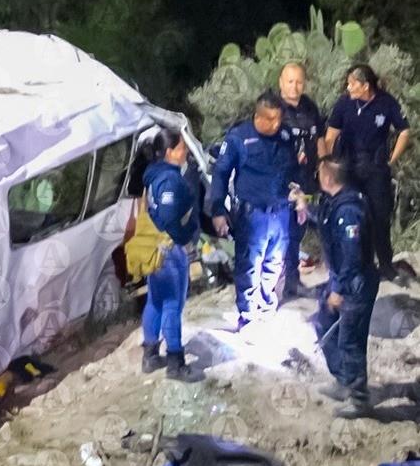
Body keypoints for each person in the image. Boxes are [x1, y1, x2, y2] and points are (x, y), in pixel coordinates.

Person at [296, 156, 379, 418]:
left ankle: (359, 399)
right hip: (341, 277)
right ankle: (343, 380)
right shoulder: (335, 202)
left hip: (355, 283)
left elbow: (352, 258)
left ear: (329, 178)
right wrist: (304, 206)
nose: (317, 176)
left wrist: (339, 290)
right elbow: (324, 218)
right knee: (323, 322)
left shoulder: (349, 211)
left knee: (350, 341)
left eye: (320, 173)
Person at [211, 90, 297, 329]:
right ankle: (247, 314)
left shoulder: (286, 136)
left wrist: (299, 195)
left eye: (279, 118)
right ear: (257, 116)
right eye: (270, 119)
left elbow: (292, 171)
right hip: (253, 215)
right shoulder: (238, 138)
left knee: (275, 263)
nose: (276, 124)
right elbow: (220, 174)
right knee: (249, 266)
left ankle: (267, 306)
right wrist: (218, 210)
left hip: (280, 212)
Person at [325, 64, 410, 281]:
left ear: (365, 86)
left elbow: (404, 130)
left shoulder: (386, 102)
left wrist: (392, 158)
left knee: (380, 217)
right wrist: (327, 164)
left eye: (353, 83)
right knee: (353, 216)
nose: (348, 86)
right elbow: (331, 135)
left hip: (376, 168)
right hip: (349, 167)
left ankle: (386, 266)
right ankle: (357, 265)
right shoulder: (344, 103)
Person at [140, 128, 203, 382]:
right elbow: (168, 218)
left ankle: (151, 354)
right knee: (172, 304)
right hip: (168, 250)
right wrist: (185, 235)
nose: (185, 151)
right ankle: (176, 362)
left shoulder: (155, 176)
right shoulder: (169, 180)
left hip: (154, 247)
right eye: (182, 148)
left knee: (155, 300)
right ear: (169, 152)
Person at [278, 63, 326, 298]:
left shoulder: (310, 107)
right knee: (281, 233)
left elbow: (319, 138)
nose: (294, 86)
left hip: (306, 180)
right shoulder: (273, 108)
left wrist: (324, 164)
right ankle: (275, 285)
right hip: (282, 183)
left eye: (299, 81)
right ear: (281, 83)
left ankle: (292, 283)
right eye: (290, 81)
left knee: (297, 232)